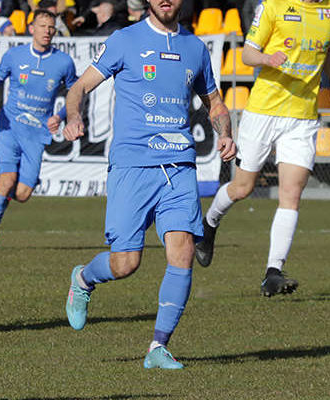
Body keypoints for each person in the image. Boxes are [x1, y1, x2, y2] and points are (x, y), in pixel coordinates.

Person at [62, 0, 236, 369]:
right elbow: (78, 88)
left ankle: (158, 347)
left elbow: (215, 103)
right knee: (126, 263)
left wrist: (226, 133)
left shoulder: (195, 48)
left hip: (178, 164)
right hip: (132, 165)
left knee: (184, 250)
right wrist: (73, 116)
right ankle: (83, 278)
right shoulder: (125, 40)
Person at [195, 0, 330, 297]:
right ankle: (209, 224)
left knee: (291, 194)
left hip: (302, 118)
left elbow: (328, 51)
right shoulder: (274, 6)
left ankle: (273, 272)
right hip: (263, 112)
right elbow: (247, 54)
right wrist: (267, 59)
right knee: (242, 188)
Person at [0, 9, 77, 250]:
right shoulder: (14, 55)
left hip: (37, 133)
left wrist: (60, 115)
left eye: (51, 27)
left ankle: (11, 193)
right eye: (43, 26)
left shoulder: (64, 62)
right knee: (6, 180)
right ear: (31, 28)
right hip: (10, 127)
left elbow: (75, 95)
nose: (47, 31)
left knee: (22, 194)